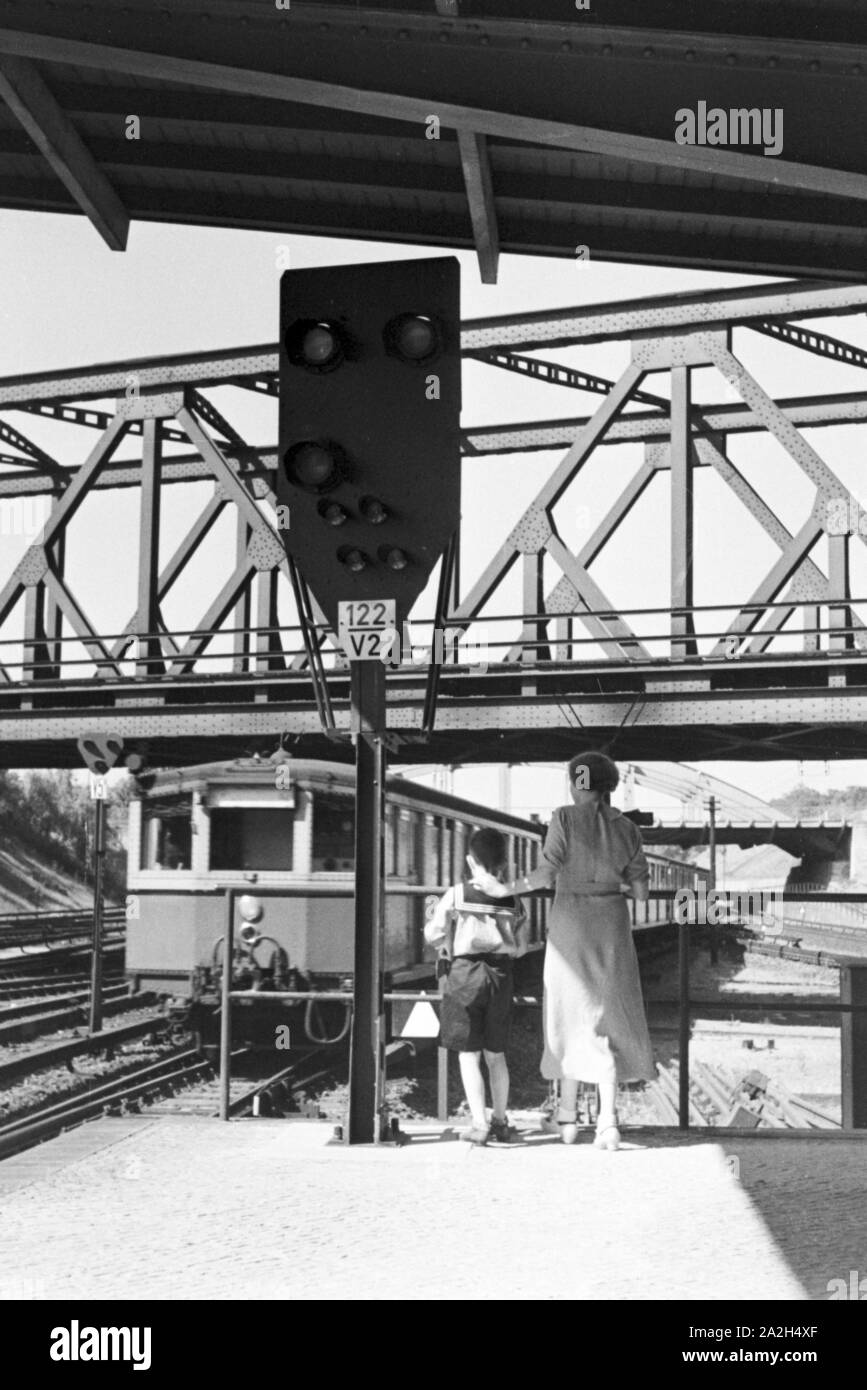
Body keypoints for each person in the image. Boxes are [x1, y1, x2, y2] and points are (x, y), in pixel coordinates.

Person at [471, 751, 654, 1151]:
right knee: (607, 1013)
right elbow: (640, 890)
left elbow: (545, 873)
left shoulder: (564, 818)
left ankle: (567, 1118)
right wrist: (613, 887)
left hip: (570, 921)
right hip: (611, 924)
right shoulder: (628, 829)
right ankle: (607, 1123)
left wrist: (506, 889)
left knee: (568, 1014)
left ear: (578, 783)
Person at [425, 827, 528, 1146]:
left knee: (468, 1055)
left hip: (465, 974)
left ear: (471, 860)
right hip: (499, 975)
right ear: (504, 864)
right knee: (496, 1055)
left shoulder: (457, 894)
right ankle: (500, 1121)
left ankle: (479, 1124)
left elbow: (434, 933)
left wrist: (439, 934)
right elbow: (522, 947)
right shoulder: (513, 898)